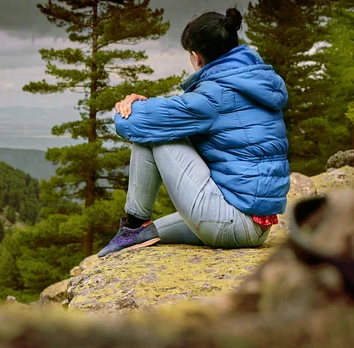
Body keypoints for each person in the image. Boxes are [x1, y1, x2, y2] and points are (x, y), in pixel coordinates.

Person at [98, 8, 290, 258]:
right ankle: (136, 232)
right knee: (149, 234)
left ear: (197, 57)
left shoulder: (215, 93)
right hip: (256, 226)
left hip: (231, 222)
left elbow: (129, 123)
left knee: (155, 133)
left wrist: (133, 103)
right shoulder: (254, 80)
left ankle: (133, 223)